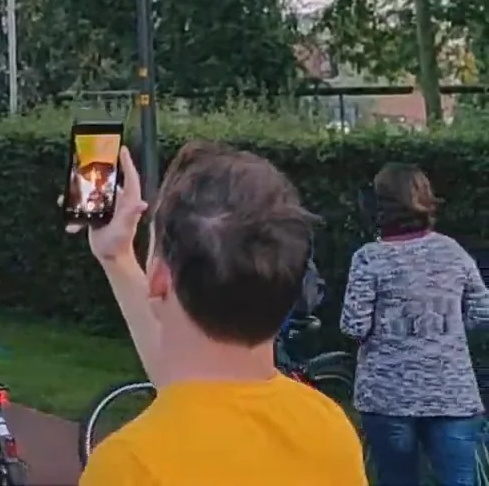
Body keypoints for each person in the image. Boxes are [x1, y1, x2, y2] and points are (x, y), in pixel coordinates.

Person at [77, 144, 365, 486]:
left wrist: (118, 257)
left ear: (157, 277)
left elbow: (191, 396)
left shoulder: (130, 465)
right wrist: (117, 257)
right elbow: (189, 389)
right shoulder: (328, 427)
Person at [341, 162, 489, 486]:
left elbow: (353, 326)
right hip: (451, 393)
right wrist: (446, 332)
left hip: (387, 397)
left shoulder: (369, 258)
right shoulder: (453, 252)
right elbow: (482, 310)